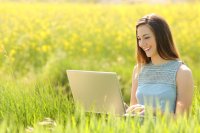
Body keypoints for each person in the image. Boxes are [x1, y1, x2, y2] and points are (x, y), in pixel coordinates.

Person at [126, 14, 194, 117]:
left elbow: (182, 119)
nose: (141, 44)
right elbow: (133, 112)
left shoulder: (182, 73)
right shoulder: (138, 69)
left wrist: (153, 111)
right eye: (139, 38)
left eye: (147, 37)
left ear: (161, 37)